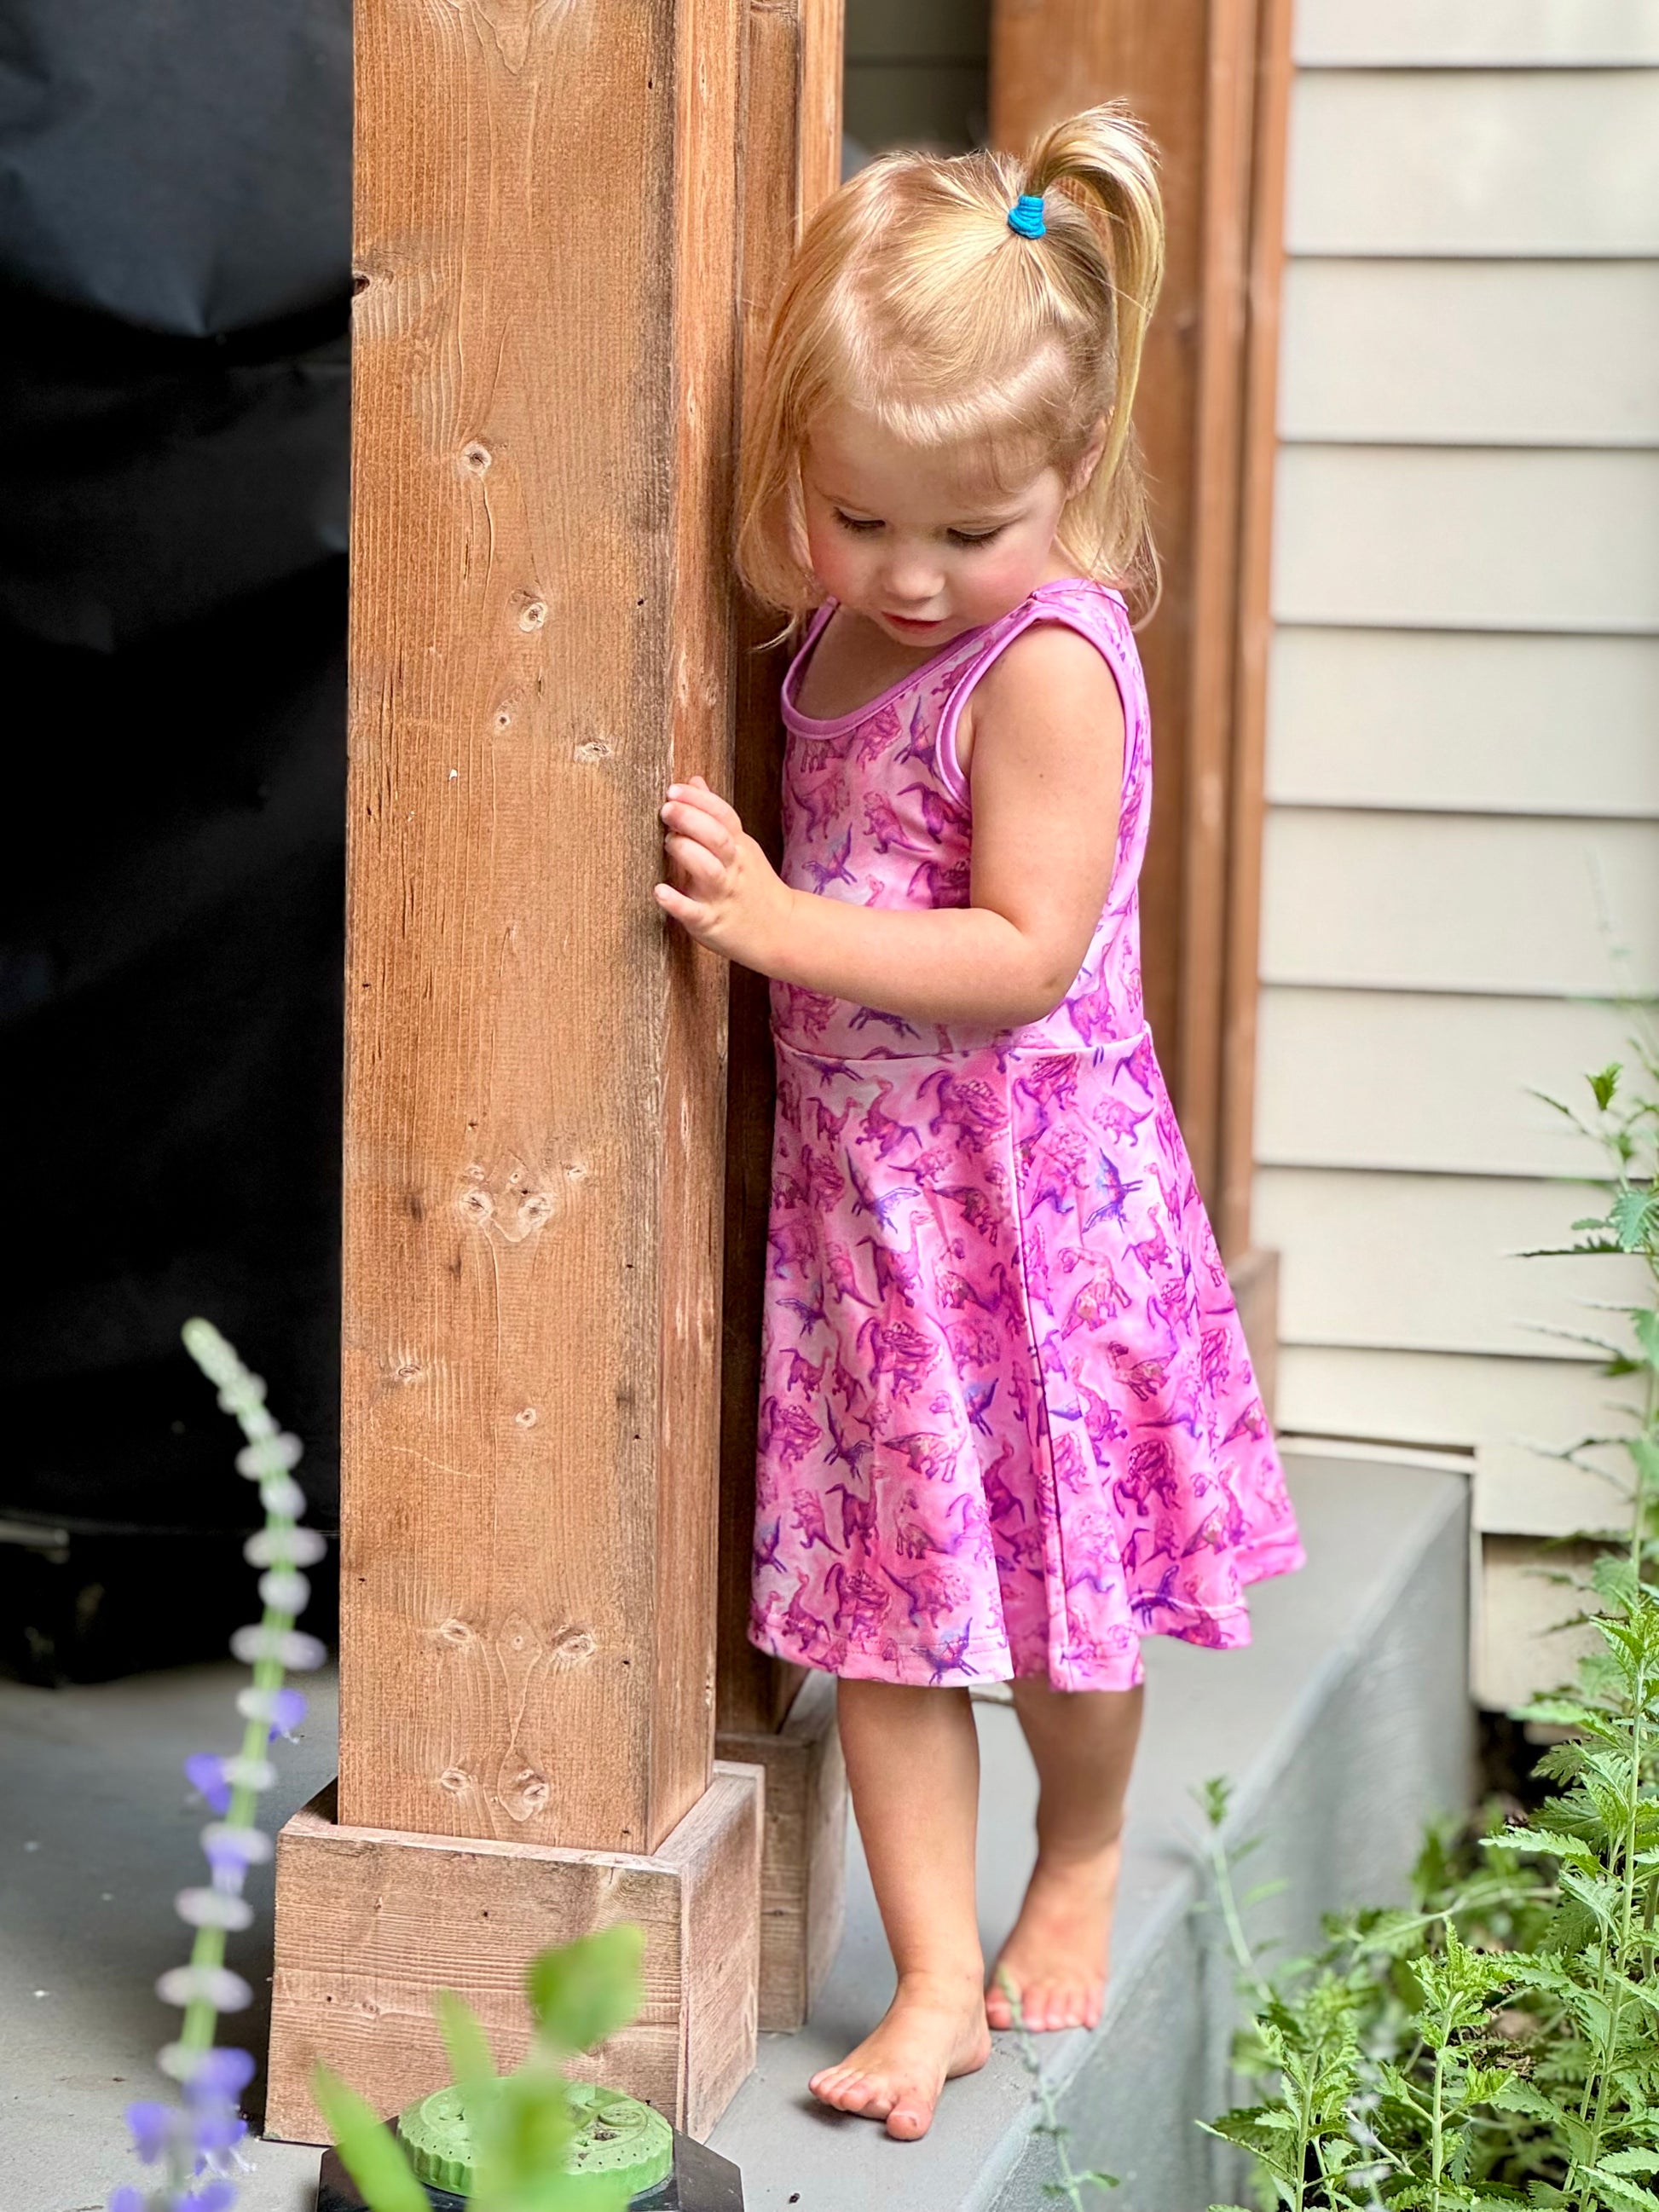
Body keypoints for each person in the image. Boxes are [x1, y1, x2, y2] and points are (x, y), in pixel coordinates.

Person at [656, 102, 1304, 2143]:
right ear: (800, 474)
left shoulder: (1042, 667)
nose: (912, 578)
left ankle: (1084, 1847)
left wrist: (772, 921)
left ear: (1074, 474)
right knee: (886, 1602)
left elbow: (1025, 948)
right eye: (861, 521)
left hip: (1033, 1212)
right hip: (876, 1229)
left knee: (1054, 1595)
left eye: (968, 529)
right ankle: (933, 1974)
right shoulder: (833, 627)